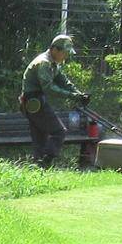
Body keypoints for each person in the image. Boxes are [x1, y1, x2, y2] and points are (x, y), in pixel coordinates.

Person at [19, 34, 89, 166]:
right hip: (34, 102)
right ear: (55, 49)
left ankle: (39, 167)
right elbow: (49, 88)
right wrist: (71, 96)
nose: (66, 56)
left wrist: (79, 94)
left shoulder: (53, 63)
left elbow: (63, 81)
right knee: (59, 131)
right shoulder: (44, 63)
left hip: (35, 102)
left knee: (40, 137)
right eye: (65, 53)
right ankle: (46, 162)